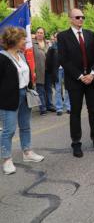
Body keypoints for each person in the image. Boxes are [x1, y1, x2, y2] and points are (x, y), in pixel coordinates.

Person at [57, 8, 94, 158]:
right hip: (75, 81)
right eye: (77, 17)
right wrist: (81, 76)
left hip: (92, 80)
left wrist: (93, 74)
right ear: (70, 19)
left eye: (83, 17)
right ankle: (76, 143)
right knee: (75, 112)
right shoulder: (63, 37)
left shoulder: (90, 34)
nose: (81, 19)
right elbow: (63, 59)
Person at [0, 27, 44, 175]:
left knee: (25, 126)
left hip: (25, 94)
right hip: (8, 99)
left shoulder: (22, 55)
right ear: (14, 40)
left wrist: (30, 88)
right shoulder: (2, 57)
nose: (25, 40)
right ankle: (6, 159)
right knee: (9, 130)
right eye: (23, 38)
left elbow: (27, 74)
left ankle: (27, 152)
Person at [46, 32, 70, 116]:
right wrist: (50, 71)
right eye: (57, 37)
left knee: (67, 88)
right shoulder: (52, 48)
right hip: (57, 70)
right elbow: (48, 61)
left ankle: (68, 107)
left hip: (66, 70)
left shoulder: (67, 46)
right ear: (55, 38)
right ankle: (59, 108)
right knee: (58, 89)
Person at [33, 27, 55, 115]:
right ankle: (42, 108)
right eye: (38, 32)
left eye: (41, 32)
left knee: (49, 88)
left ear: (44, 34)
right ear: (36, 34)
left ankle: (49, 105)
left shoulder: (47, 43)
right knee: (40, 89)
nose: (39, 34)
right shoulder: (32, 44)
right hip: (38, 70)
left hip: (48, 70)